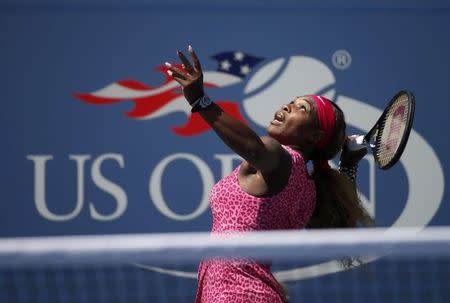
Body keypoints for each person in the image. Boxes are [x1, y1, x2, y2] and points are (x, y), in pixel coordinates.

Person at [165, 46, 372, 303]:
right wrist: (349, 165)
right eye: (292, 102)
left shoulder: (283, 157)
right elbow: (338, 219)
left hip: (238, 295)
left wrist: (200, 100)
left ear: (314, 136)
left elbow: (253, 147)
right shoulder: (311, 188)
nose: (288, 106)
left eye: (302, 109)